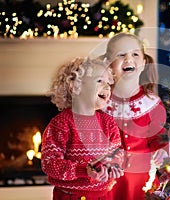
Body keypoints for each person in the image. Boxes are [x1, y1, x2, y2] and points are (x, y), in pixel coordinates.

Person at [41, 56, 124, 200]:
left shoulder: (108, 123)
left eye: (108, 83)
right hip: (70, 196)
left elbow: (116, 153)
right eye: (99, 81)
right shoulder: (61, 124)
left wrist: (114, 165)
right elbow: (50, 164)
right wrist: (84, 170)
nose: (107, 87)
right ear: (75, 86)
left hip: (103, 195)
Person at [102, 32, 170, 200]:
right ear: (109, 64)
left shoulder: (151, 102)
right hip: (109, 180)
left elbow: (158, 137)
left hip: (142, 179)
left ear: (144, 62)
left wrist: (162, 152)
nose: (128, 59)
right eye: (121, 55)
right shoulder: (101, 101)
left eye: (134, 54)